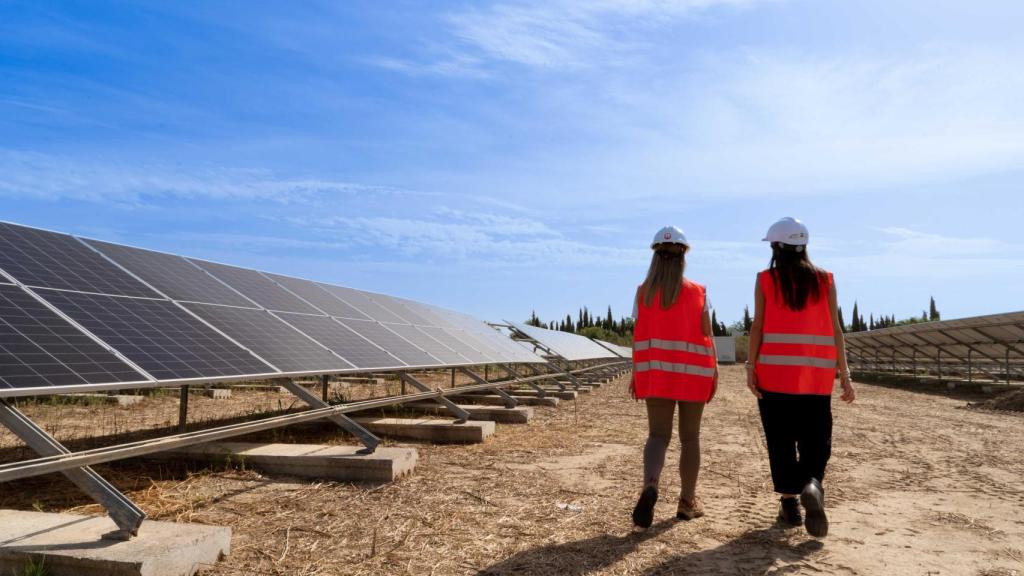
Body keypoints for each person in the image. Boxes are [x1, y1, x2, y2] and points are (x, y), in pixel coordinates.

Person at [746, 217, 855, 538]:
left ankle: (790, 505)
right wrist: (845, 374)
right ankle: (812, 483)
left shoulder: (765, 280)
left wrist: (751, 365)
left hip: (774, 376)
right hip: (816, 377)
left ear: (777, 247)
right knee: (815, 438)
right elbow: (836, 329)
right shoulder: (826, 280)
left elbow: (758, 326)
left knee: (780, 441)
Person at [630, 226, 719, 529]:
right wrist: (715, 371)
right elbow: (708, 335)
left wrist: (636, 374)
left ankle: (651, 485)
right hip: (694, 375)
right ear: (683, 256)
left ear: (655, 255)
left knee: (657, 436)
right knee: (690, 438)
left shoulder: (642, 293)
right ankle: (687, 502)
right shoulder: (698, 292)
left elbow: (639, 334)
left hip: (656, 375)